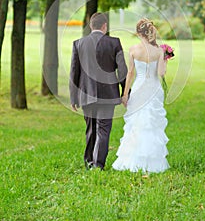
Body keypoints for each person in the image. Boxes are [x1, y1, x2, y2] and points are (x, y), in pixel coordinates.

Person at [69, 12, 127, 170]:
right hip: (108, 95)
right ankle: (98, 164)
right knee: (103, 129)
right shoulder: (114, 42)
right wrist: (125, 92)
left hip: (85, 94)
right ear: (104, 26)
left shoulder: (78, 43)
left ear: (90, 26)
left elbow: (74, 72)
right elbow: (122, 71)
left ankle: (89, 162)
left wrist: (73, 98)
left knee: (90, 128)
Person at [112, 18, 170, 173]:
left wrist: (125, 94)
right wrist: (166, 58)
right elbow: (161, 73)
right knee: (151, 124)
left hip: (138, 89)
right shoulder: (159, 51)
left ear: (139, 33)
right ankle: (152, 163)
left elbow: (130, 73)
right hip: (154, 89)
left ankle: (132, 159)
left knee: (136, 124)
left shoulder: (133, 50)